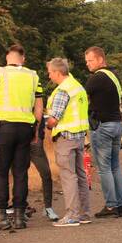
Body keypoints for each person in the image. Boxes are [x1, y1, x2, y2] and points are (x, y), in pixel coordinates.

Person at [0, 44, 43, 234]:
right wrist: (35, 130)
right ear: (23, 58)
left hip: (4, 128)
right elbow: (39, 108)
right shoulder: (33, 76)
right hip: (25, 128)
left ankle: (0, 216)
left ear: (7, 57)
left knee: (0, 171)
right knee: (20, 172)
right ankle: (18, 217)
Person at [44, 58, 92, 227]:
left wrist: (47, 126)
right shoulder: (77, 86)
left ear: (57, 72)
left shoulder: (63, 90)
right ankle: (84, 213)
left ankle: (72, 215)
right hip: (79, 136)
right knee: (80, 175)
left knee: (68, 176)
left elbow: (54, 118)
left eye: (50, 72)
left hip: (66, 137)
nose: (49, 76)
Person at [83, 46, 122, 218]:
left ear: (100, 60)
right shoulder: (113, 76)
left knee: (104, 168)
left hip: (103, 126)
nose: (88, 64)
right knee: (115, 166)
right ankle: (121, 205)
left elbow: (82, 98)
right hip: (117, 124)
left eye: (90, 60)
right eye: (86, 61)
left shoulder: (96, 78)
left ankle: (111, 206)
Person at [30, 116, 59, 221]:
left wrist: (39, 136)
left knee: (46, 173)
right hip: (20, 143)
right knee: (19, 176)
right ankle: (20, 209)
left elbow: (40, 116)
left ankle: (48, 207)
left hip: (36, 144)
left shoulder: (37, 104)